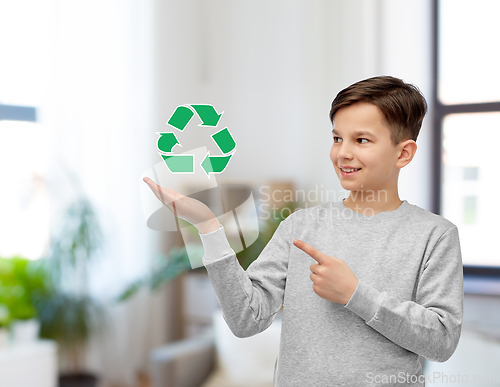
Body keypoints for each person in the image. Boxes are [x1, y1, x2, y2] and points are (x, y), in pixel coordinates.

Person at [143, 75, 463, 387]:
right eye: (337, 138)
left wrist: (355, 294)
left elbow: (442, 341)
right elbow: (245, 319)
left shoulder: (435, 235)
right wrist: (208, 227)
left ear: (403, 153)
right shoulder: (300, 226)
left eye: (361, 140)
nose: (343, 153)